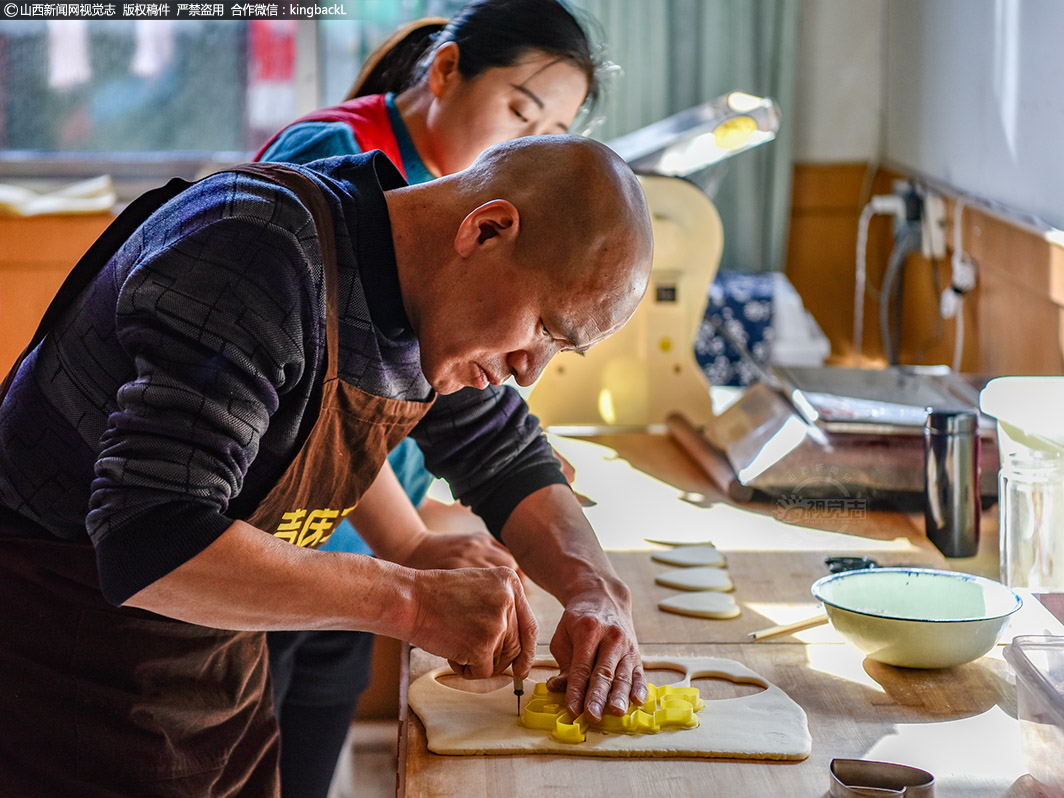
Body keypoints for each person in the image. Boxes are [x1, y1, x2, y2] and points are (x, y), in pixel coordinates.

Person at [0, 135, 653, 797]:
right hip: (64, 667)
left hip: (216, 666)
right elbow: (149, 539)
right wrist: (411, 600)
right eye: (544, 325)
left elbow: (505, 454)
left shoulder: (422, 301)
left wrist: (595, 589)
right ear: (486, 229)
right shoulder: (255, 255)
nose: (530, 370)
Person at [255, 1, 604, 792]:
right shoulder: (338, 170)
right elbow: (316, 409)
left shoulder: (454, 202)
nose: (526, 143)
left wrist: (524, 502)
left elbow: (470, 422)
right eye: (520, 109)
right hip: (283, 552)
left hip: (351, 553)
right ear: (446, 70)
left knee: (309, 759)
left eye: (549, 133)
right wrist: (409, 542)